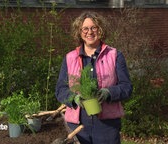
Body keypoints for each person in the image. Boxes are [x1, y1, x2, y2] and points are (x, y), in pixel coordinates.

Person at [55, 11, 133, 144]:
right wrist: (75, 98)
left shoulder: (114, 55)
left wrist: (108, 92)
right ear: (79, 32)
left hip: (107, 125)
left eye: (93, 28)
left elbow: (127, 87)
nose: (89, 32)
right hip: (78, 125)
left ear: (100, 30)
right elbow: (60, 89)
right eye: (85, 28)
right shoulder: (70, 58)